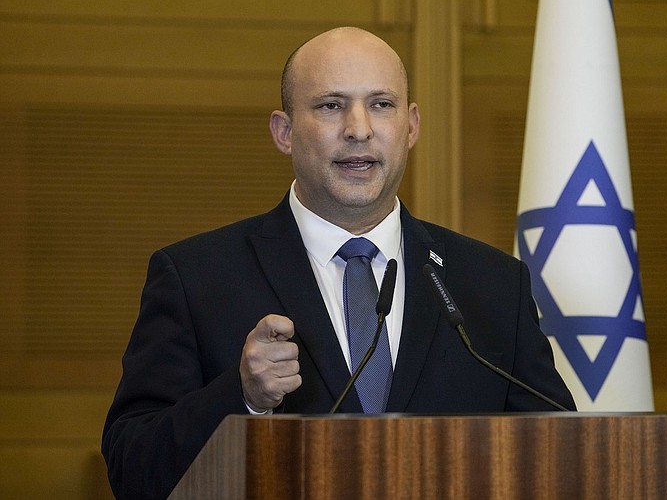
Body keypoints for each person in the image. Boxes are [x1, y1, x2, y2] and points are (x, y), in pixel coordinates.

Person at [101, 26, 575, 500]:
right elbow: (132, 470)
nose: (358, 128)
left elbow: (564, 460)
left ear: (411, 127)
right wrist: (242, 397)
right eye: (331, 105)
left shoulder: (493, 284)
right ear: (284, 133)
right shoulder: (195, 277)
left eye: (381, 104)